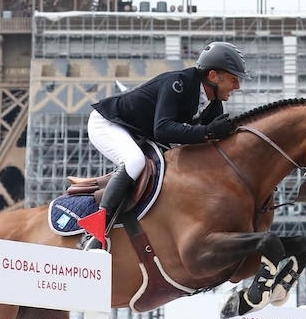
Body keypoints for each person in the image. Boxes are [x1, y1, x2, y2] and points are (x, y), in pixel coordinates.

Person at [84, 41, 248, 247]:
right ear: (213, 76)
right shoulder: (178, 83)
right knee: (135, 162)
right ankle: (95, 231)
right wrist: (208, 132)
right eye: (234, 79)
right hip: (109, 123)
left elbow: (207, 147)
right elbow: (163, 129)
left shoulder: (214, 105)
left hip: (141, 133)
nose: (238, 87)